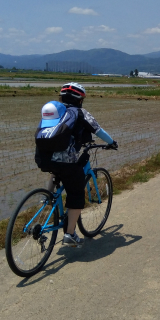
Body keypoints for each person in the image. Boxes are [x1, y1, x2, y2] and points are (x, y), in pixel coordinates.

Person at [35, 82, 118, 248]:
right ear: (80, 99)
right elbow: (98, 130)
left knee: (56, 171)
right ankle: (70, 233)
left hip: (43, 158)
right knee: (77, 193)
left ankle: (47, 199)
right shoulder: (79, 112)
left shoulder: (54, 112)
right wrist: (112, 142)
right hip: (67, 162)